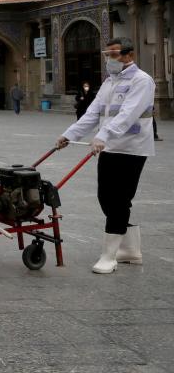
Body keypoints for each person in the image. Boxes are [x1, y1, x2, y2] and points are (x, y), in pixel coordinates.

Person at [55, 37, 155, 275]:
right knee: (105, 198)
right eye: (107, 55)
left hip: (131, 148)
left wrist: (104, 135)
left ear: (129, 56)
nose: (109, 59)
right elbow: (92, 113)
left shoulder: (142, 81)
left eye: (114, 54)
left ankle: (109, 256)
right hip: (108, 147)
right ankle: (130, 250)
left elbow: (128, 114)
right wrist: (69, 135)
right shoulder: (109, 82)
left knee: (119, 199)